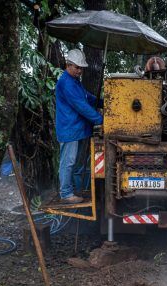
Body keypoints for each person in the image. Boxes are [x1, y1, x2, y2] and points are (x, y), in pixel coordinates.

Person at [55, 49, 103, 203]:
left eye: (81, 68)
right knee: (68, 162)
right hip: (69, 129)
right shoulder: (66, 83)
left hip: (78, 129)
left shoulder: (75, 82)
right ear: (68, 65)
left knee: (76, 163)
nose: (80, 71)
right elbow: (80, 105)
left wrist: (104, 101)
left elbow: (87, 97)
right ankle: (66, 194)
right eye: (77, 67)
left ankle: (76, 189)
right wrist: (100, 119)